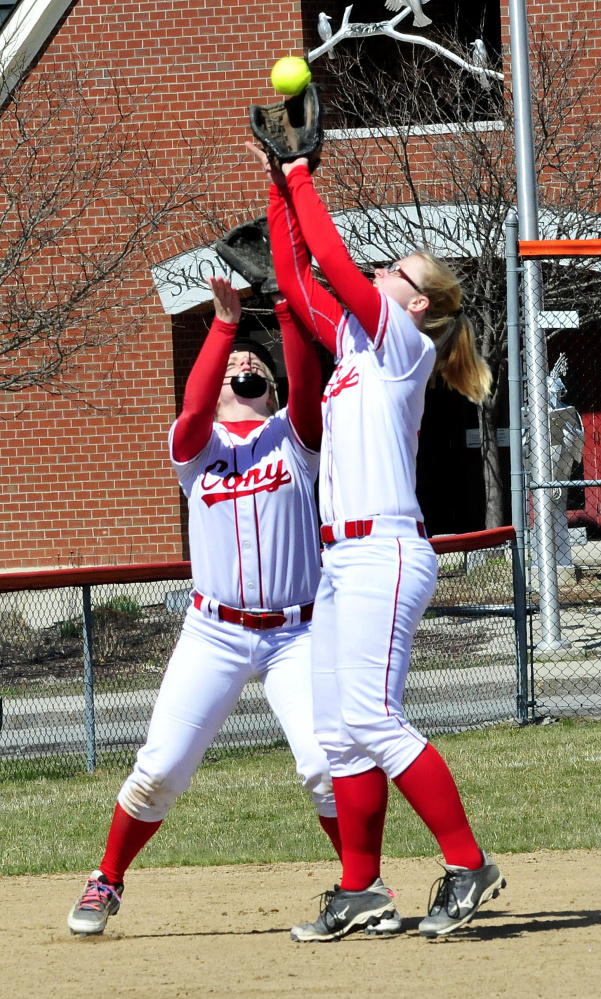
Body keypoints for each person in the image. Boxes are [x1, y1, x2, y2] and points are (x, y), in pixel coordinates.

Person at [247, 141, 505, 941]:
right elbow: (296, 279)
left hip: (386, 551)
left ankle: (468, 865)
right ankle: (360, 887)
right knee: (335, 730)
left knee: (372, 714)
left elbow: (327, 259)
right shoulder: (360, 346)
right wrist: (274, 180)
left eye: (397, 269)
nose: (383, 273)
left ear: (419, 303)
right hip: (340, 560)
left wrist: (299, 174)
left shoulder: (400, 344)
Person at [67, 278, 353, 936]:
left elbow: (308, 388)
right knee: (160, 768)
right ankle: (105, 878)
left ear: (271, 388)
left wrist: (283, 310)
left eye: (253, 366)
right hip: (213, 633)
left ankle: (361, 882)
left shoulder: (294, 439)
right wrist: (223, 329)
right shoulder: (195, 449)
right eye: (231, 369)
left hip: (297, 634)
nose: (242, 368)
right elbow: (195, 409)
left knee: (325, 765)